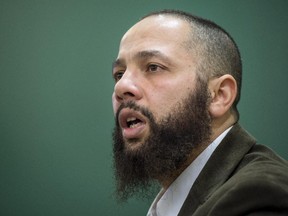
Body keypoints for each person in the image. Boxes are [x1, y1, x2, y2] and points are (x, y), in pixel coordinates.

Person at [111, 9, 288, 216]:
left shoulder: (259, 197)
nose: (121, 87)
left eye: (153, 67)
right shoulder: (174, 201)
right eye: (119, 74)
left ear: (218, 95)